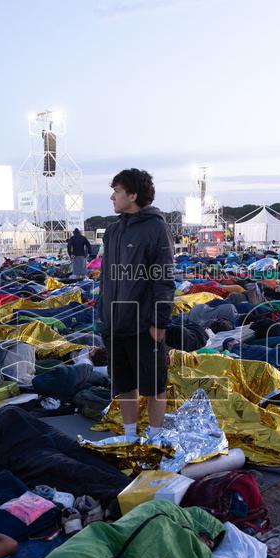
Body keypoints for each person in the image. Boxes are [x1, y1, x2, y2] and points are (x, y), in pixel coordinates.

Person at [96, 168, 174, 439]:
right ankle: (130, 436)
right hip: (114, 323)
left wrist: (159, 322)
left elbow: (163, 278)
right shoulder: (113, 230)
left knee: (154, 385)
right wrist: (101, 313)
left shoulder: (156, 228)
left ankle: (154, 439)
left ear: (133, 194)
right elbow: (106, 277)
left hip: (143, 325)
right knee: (124, 385)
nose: (112, 197)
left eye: (117, 191)